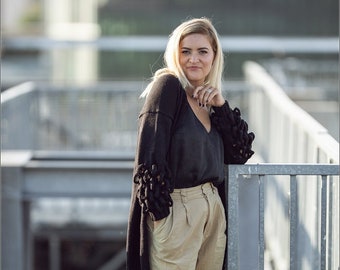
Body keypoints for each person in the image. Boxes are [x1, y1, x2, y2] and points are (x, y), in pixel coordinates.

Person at [126, 17, 255, 270]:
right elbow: (148, 160)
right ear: (176, 54)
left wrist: (221, 107)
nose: (193, 59)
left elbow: (239, 154)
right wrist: (163, 220)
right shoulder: (167, 87)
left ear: (214, 56)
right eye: (185, 51)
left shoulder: (210, 103)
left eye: (202, 52)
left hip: (213, 212)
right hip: (176, 211)